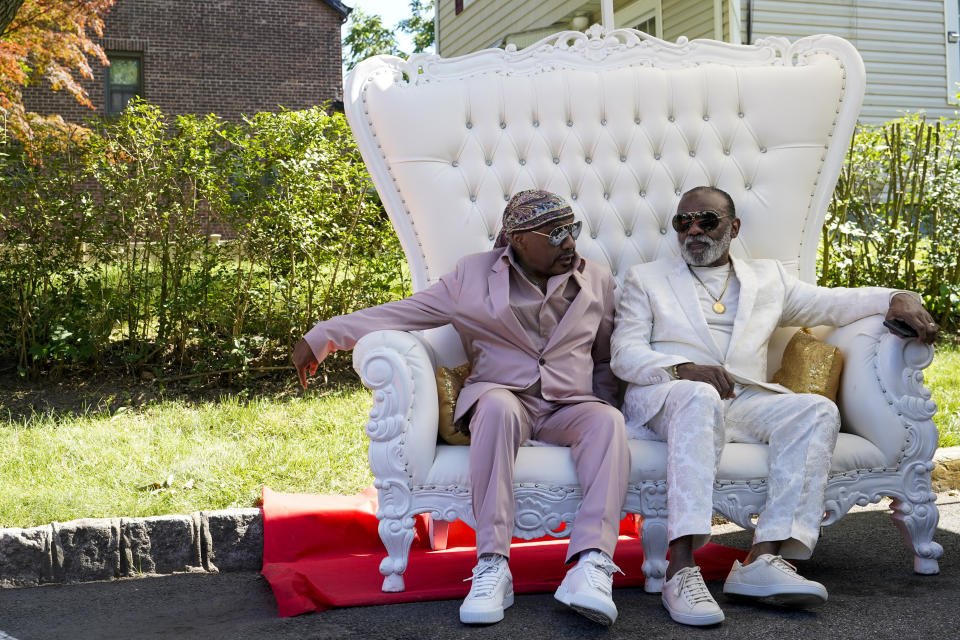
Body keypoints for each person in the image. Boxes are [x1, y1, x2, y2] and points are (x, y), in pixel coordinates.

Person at [292, 189, 630, 626]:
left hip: (570, 404)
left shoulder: (596, 279)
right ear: (519, 240)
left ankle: (591, 564)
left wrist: (601, 398)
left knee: (606, 420)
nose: (570, 243)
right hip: (505, 397)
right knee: (495, 409)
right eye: (556, 234)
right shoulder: (471, 277)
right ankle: (492, 564)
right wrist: (323, 336)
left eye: (573, 231)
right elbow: (405, 312)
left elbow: (604, 357)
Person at [609, 186, 938, 627]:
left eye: (706, 220)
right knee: (698, 395)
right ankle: (681, 569)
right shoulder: (645, 278)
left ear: (733, 227)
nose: (693, 231)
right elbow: (624, 354)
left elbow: (834, 303)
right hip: (671, 397)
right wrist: (682, 368)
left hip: (742, 400)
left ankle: (764, 558)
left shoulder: (768, 278)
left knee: (816, 411)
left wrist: (898, 297)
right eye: (682, 223)